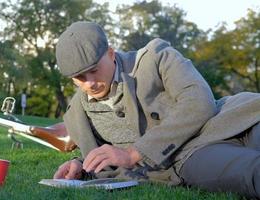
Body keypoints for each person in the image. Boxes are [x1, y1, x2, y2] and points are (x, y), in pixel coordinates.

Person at [53, 21, 260, 198]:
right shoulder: (78, 113)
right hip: (189, 155)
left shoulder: (156, 57)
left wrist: (135, 153)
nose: (89, 83)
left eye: (94, 70)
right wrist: (80, 165)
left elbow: (198, 101)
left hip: (238, 119)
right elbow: (105, 152)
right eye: (80, 77)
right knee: (253, 173)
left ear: (110, 53)